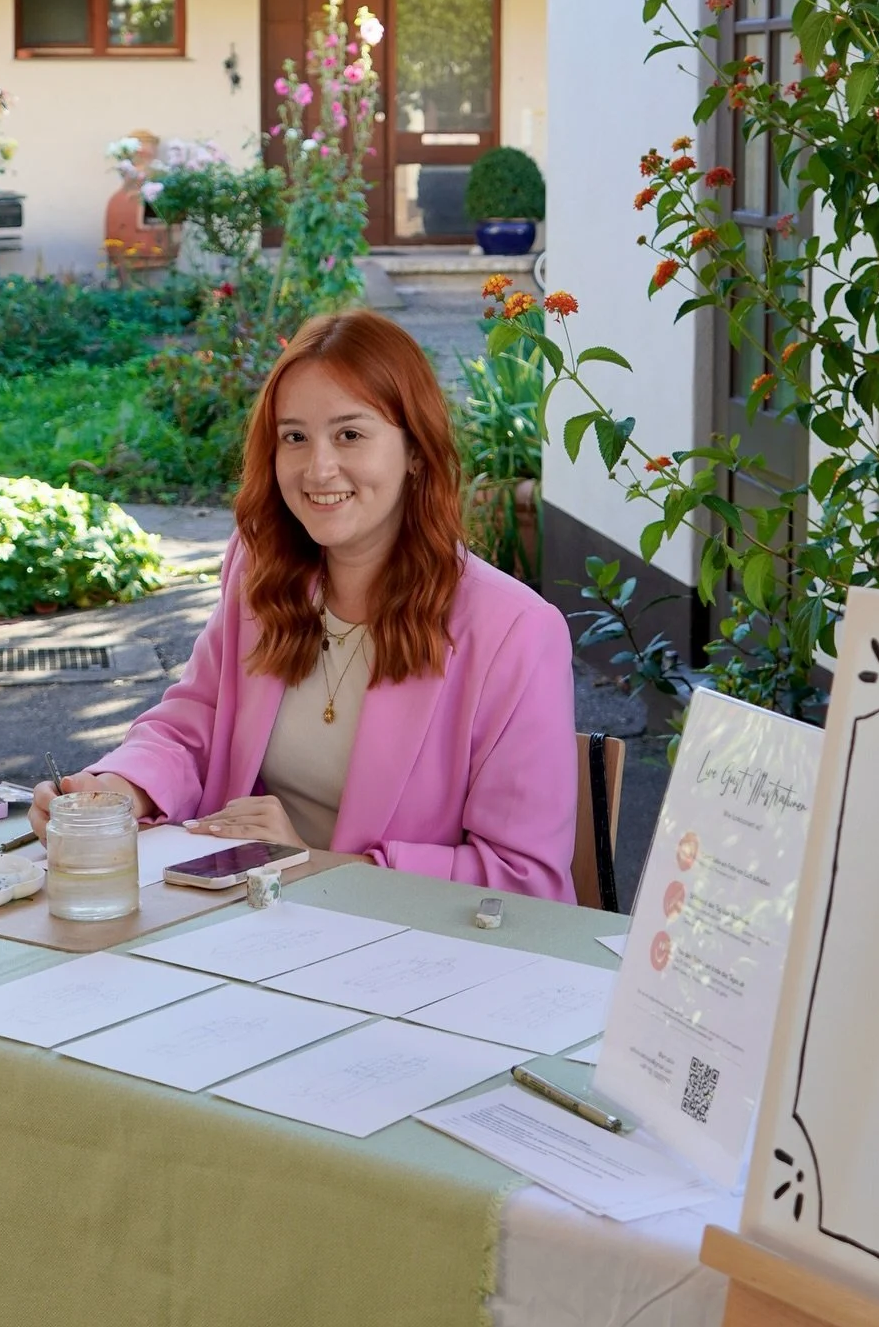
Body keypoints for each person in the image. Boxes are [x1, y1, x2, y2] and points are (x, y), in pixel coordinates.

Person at [30, 309, 578, 899]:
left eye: (350, 434)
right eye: (295, 437)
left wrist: (316, 863)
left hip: (402, 957)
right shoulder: (261, 566)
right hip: (243, 921)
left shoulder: (514, 631)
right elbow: (196, 725)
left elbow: (525, 882)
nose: (318, 469)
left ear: (416, 451)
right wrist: (117, 790)